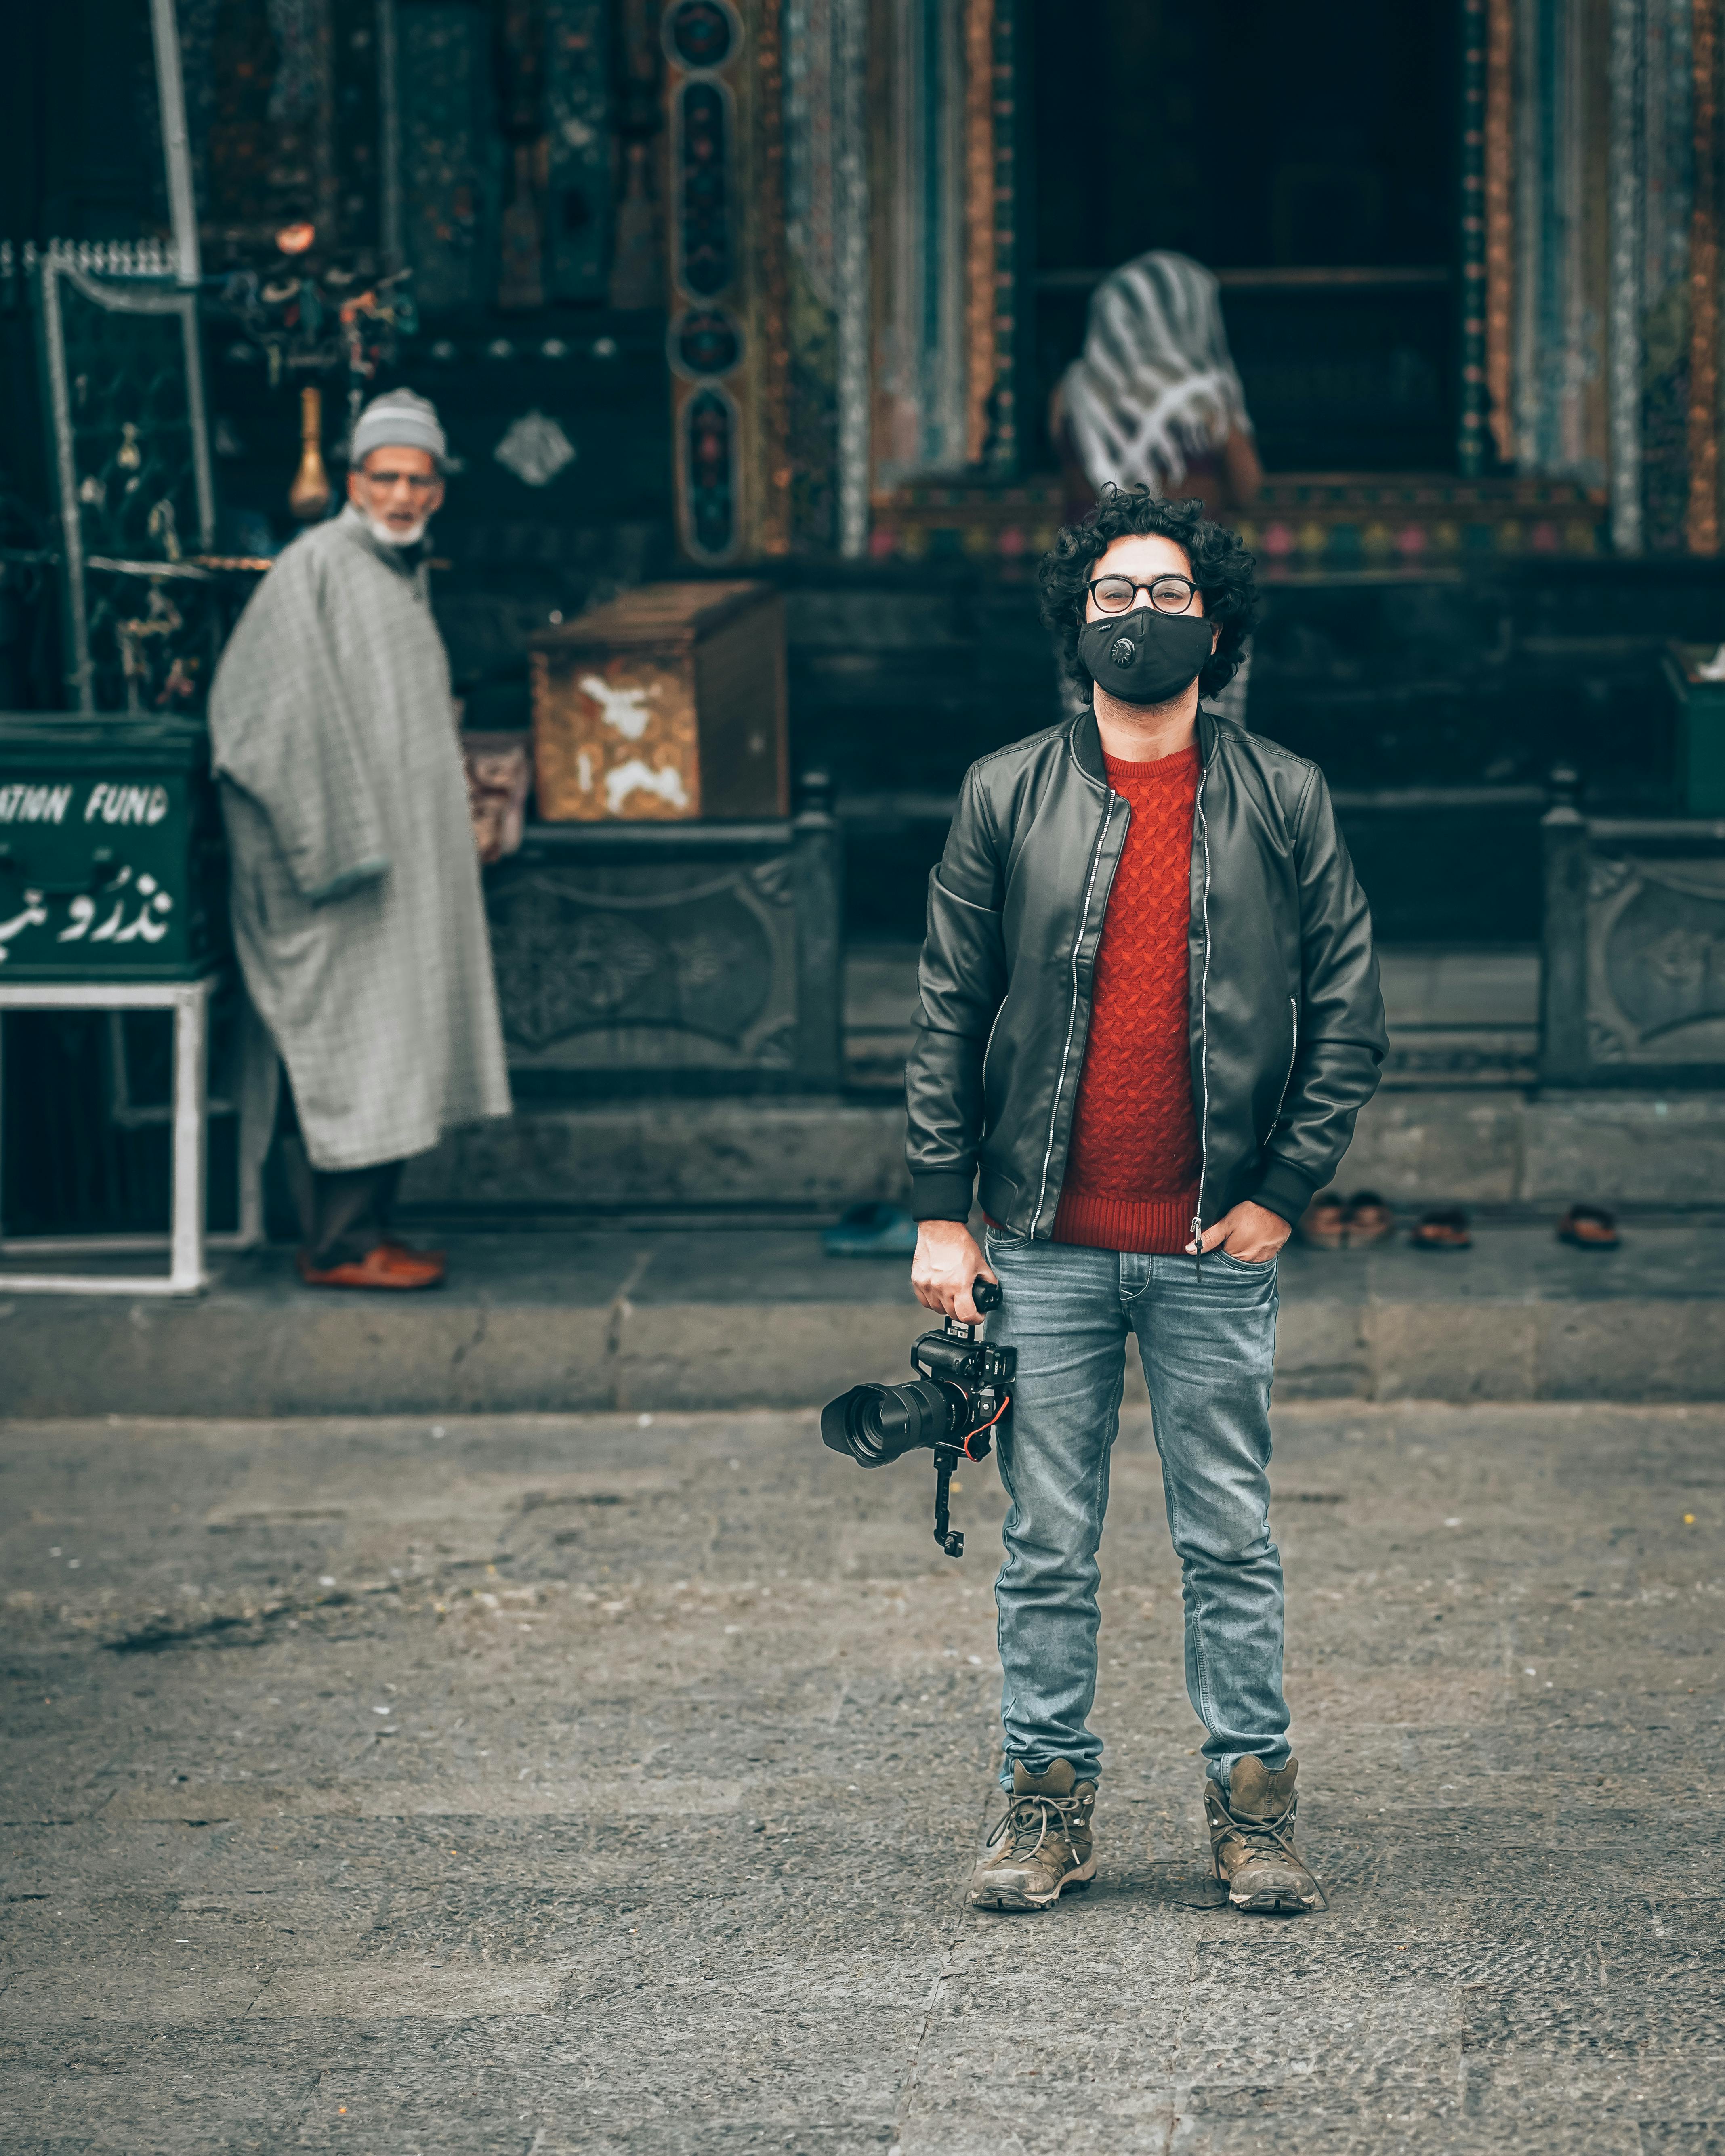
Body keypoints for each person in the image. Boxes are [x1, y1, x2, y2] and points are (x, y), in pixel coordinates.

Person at [906, 485, 1385, 1915]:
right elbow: (948, 1005)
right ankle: (1044, 1805)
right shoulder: (1006, 789)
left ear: (1214, 625)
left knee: (1228, 1537)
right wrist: (943, 1211)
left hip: (1209, 1244)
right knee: (1047, 1542)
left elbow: (1350, 1003)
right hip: (1044, 1242)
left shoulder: (1283, 790)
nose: (1139, 615)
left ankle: (1255, 1810)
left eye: (1167, 592)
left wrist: (1285, 1186)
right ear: (1076, 625)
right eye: (1113, 593)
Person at [209, 389, 511, 1289]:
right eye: (385, 476)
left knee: (393, 1041)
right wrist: (335, 841)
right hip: (335, 869)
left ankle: (369, 1229)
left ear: (440, 490)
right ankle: (337, 1242)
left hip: (393, 871)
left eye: (419, 479)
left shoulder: (393, 570)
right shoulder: (317, 565)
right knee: (351, 1042)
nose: (402, 494)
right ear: (353, 480)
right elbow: (253, 718)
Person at [1052, 252, 1262, 724]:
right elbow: (1247, 486)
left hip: (1097, 587)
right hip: (1190, 585)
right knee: (1202, 724)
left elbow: (1070, 480)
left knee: (1099, 723)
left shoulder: (1071, 391)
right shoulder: (1208, 396)